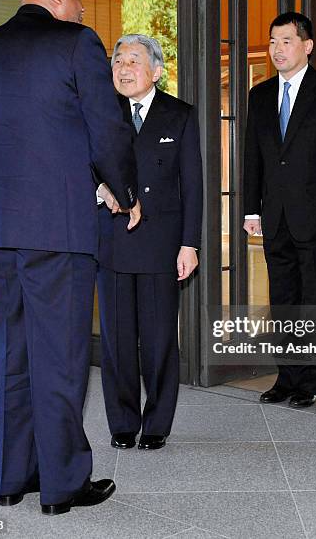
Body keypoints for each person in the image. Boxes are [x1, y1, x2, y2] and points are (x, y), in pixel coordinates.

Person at [0, 0, 140, 514]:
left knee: (14, 353)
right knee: (60, 356)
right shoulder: (76, 43)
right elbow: (108, 130)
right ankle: (62, 486)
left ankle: (14, 477)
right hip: (56, 227)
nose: (82, 7)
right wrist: (125, 193)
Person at [243, 12, 316, 408]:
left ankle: (312, 380)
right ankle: (287, 376)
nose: (277, 49)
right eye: (273, 41)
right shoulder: (258, 96)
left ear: (307, 46)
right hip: (275, 218)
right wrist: (250, 210)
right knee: (284, 301)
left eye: (286, 41)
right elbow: (252, 158)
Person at [96, 34, 202, 450]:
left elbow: (192, 184)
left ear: (156, 71)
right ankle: (122, 422)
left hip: (161, 244)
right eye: (118, 60)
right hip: (112, 241)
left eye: (134, 60)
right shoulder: (102, 114)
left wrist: (189, 244)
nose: (123, 68)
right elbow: (84, 168)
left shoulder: (180, 115)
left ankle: (156, 423)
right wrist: (101, 190)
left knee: (158, 339)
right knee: (117, 340)